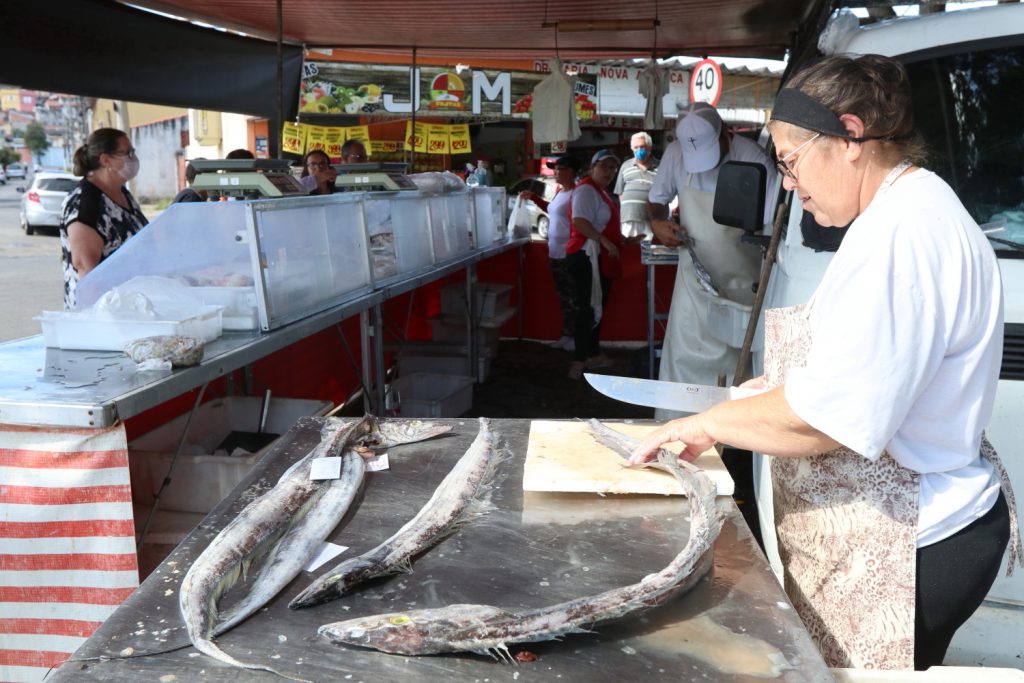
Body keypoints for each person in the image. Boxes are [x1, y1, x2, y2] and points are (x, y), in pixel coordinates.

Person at [630, 55, 1020, 671]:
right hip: (902, 528)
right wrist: (753, 398)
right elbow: (854, 366)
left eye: (791, 161)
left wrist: (707, 424)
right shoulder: (902, 210)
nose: (788, 183)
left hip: (906, 540)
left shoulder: (903, 235)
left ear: (850, 136)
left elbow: (829, 418)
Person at [646, 102, 772, 418]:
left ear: (725, 133)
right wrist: (657, 224)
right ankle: (674, 427)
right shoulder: (675, 154)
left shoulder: (753, 159)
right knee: (683, 359)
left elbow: (771, 229)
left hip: (742, 282)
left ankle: (733, 440)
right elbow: (656, 204)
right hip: (693, 277)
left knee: (737, 367)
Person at [60, 128, 148, 309]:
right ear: (105, 160)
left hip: (131, 308)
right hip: (103, 315)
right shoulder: (86, 204)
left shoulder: (122, 194)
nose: (133, 158)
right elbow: (86, 271)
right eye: (127, 153)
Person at [564, 150, 623, 379]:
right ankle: (579, 360)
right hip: (585, 257)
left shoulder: (601, 192)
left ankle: (592, 353)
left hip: (597, 257)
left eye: (612, 168)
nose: (609, 172)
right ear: (592, 167)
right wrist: (604, 241)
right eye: (604, 166)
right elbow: (579, 222)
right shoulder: (586, 190)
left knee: (594, 306)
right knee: (586, 308)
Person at [519, 155, 580, 352]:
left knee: (573, 297)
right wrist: (535, 198)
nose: (556, 173)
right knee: (564, 296)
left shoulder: (578, 193)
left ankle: (575, 337)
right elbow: (552, 211)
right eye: (556, 169)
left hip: (569, 253)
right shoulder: (560, 191)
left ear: (571, 171)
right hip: (554, 251)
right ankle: (567, 334)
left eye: (560, 169)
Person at [613, 131, 659, 242]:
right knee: (630, 251)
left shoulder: (660, 166)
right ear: (632, 149)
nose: (639, 150)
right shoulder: (625, 166)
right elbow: (620, 192)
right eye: (636, 147)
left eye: (642, 147)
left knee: (649, 251)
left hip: (651, 220)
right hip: (628, 219)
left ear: (650, 148)